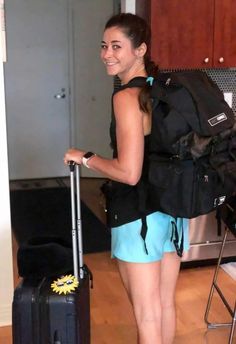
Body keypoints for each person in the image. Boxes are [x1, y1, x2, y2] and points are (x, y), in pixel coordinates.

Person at [64, 13, 189, 344]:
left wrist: (87, 158)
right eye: (104, 46)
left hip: (138, 216)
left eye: (117, 46)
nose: (107, 53)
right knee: (162, 305)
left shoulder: (125, 97)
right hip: (172, 209)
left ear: (140, 49)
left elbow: (129, 172)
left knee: (147, 313)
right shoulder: (162, 89)